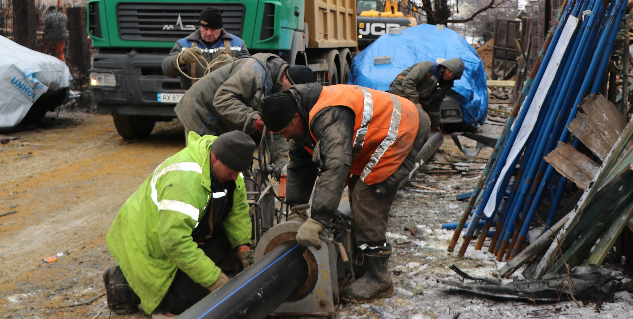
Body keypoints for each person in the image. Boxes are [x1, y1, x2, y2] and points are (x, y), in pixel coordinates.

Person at [260, 84, 430, 302]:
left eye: (285, 131)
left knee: (366, 194)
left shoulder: (328, 114)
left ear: (295, 116)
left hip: (404, 128)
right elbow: (301, 167)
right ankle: (362, 269)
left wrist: (318, 219)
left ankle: (379, 279)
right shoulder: (301, 114)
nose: (285, 137)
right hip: (384, 133)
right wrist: (297, 208)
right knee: (357, 191)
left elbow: (336, 165)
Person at [103, 131, 256, 316]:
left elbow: (237, 209)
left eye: (238, 172)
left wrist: (243, 249)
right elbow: (175, 243)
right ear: (215, 157)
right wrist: (215, 280)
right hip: (150, 246)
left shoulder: (230, 165)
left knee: (231, 263)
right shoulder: (185, 181)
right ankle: (124, 283)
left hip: (185, 234)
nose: (234, 177)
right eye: (232, 171)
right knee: (197, 301)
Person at [175, 52, 314, 166]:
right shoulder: (253, 73)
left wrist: (281, 161)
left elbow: (277, 125)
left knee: (232, 163)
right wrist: (254, 118)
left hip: (220, 113)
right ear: (284, 77)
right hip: (200, 107)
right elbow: (222, 98)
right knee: (205, 164)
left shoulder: (280, 86)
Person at [162, 7, 250, 89]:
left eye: (213, 29)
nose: (208, 33)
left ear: (220, 28)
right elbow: (167, 70)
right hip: (194, 101)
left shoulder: (237, 44)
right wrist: (180, 60)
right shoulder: (184, 44)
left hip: (224, 101)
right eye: (205, 28)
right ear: (200, 27)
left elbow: (250, 73)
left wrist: (233, 65)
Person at [388, 58, 465, 131]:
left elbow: (436, 105)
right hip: (402, 89)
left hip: (417, 96)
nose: (449, 75)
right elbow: (408, 82)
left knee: (422, 118)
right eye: (449, 71)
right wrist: (415, 101)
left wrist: (435, 124)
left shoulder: (445, 85)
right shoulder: (428, 66)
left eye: (453, 75)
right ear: (445, 67)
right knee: (407, 117)